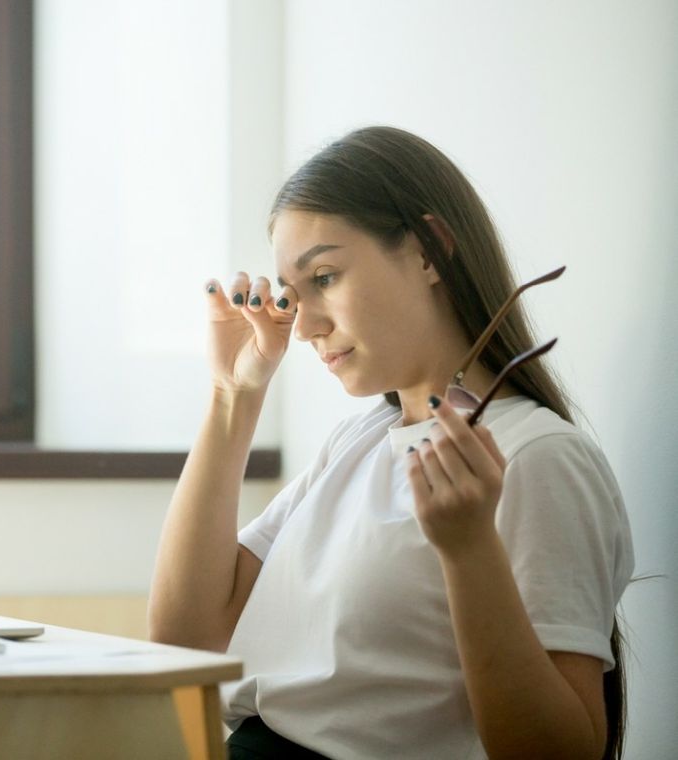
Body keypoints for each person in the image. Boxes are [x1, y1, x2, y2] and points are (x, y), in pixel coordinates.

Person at [148, 126, 634, 759]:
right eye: (295, 294)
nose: (306, 326)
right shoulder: (361, 439)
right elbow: (187, 639)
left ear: (431, 249)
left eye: (325, 276)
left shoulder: (536, 457)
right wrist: (231, 397)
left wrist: (468, 551)